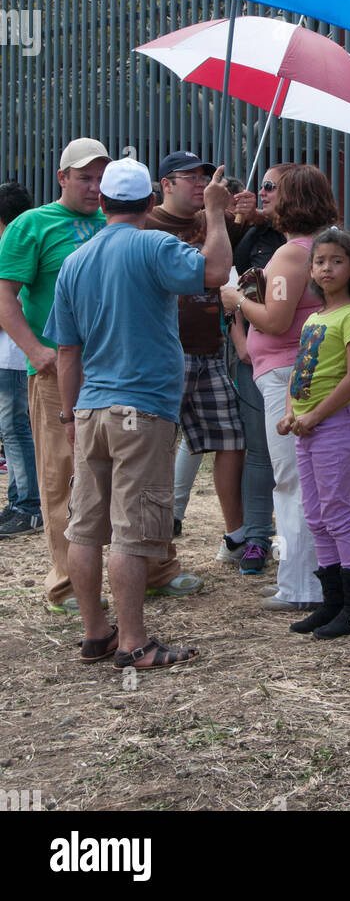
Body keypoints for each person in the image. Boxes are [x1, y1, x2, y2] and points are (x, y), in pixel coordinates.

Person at [45, 158, 233, 669]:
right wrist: (215, 214)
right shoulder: (154, 244)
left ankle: (95, 633)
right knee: (132, 530)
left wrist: (68, 417)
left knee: (85, 528)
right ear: (151, 204)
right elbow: (215, 273)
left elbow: (67, 352)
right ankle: (133, 642)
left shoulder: (75, 261)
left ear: (102, 203)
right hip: (142, 409)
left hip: (90, 411)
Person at [0, 138, 192, 609]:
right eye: (83, 177)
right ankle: (67, 583)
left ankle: (155, 567)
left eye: (98, 178)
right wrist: (35, 351)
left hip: (126, 372)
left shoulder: (128, 223)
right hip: (60, 371)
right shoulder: (33, 225)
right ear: (62, 178)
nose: (91, 186)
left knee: (145, 474)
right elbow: (5, 297)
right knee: (63, 475)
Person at [221, 165, 338, 613]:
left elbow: (275, 319)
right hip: (299, 372)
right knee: (303, 479)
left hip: (286, 375)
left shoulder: (293, 254)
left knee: (291, 481)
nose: (262, 194)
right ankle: (309, 578)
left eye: (272, 188)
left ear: (294, 198)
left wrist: (237, 301)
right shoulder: (327, 246)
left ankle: (301, 585)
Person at [146, 151, 258, 568]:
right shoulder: (147, 224)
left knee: (232, 440)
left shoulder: (209, 219)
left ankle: (236, 536)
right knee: (154, 451)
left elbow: (234, 240)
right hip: (163, 355)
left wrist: (245, 212)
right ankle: (157, 546)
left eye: (204, 176)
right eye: (188, 177)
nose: (200, 183)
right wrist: (217, 212)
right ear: (165, 184)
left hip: (210, 352)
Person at [278, 227, 350, 639]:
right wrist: (289, 413)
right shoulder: (314, 319)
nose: (327, 268)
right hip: (306, 428)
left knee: (338, 513)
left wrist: (315, 415)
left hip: (333, 426)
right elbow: (298, 372)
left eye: (336, 260)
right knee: (316, 516)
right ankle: (332, 601)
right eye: (320, 261)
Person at [223, 162, 292, 573]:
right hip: (255, 359)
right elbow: (230, 289)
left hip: (299, 363)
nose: (261, 192)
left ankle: (293, 548)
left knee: (296, 461)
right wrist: (240, 342)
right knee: (260, 452)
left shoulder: (313, 241)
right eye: (261, 185)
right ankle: (255, 538)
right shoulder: (250, 235)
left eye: (271, 187)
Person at [0, 181, 42, 537]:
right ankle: (19, 498)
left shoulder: (17, 242)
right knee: (13, 430)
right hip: (13, 354)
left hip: (15, 356)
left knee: (16, 430)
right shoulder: (22, 238)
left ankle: (28, 505)